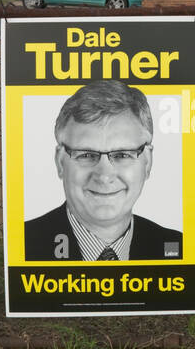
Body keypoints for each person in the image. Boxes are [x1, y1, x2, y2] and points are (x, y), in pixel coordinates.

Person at [24, 80, 182, 261]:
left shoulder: (175, 246)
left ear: (147, 162)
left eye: (122, 155)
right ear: (60, 162)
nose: (104, 176)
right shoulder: (22, 245)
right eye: (86, 155)